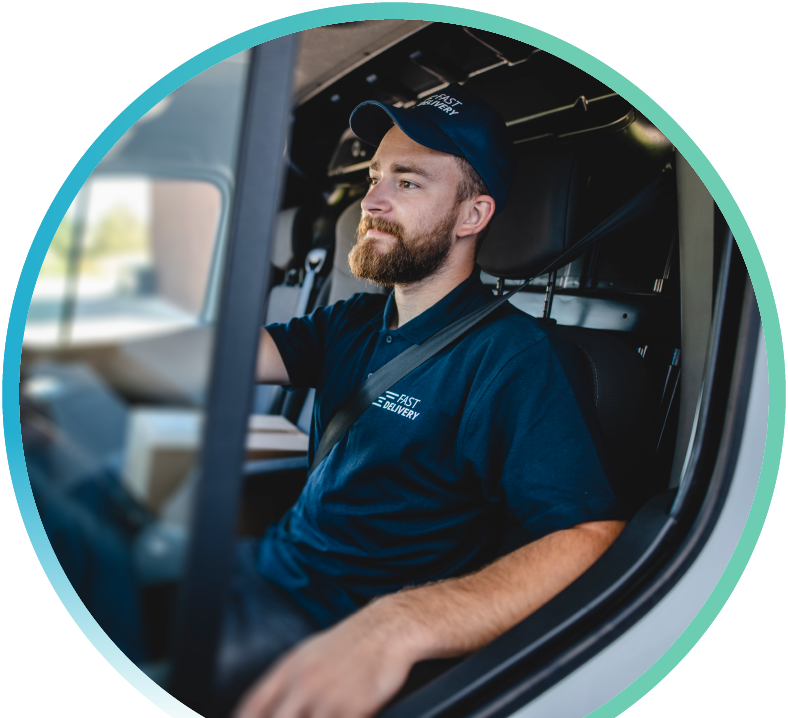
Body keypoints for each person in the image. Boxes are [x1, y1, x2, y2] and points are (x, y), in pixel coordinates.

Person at [215, 83, 627, 718]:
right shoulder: (354, 319)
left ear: (471, 217)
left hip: (334, 629)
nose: (371, 200)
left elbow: (589, 534)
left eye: (406, 183)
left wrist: (400, 625)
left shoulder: (517, 358)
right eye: (375, 175)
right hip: (269, 570)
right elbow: (231, 355)